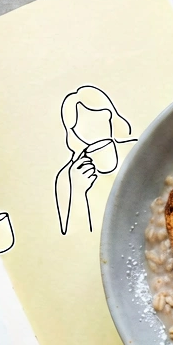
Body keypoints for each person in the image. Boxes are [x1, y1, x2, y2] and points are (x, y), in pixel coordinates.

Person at [54, 85, 136, 234]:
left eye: (103, 121)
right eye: (86, 132)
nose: (98, 137)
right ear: (73, 135)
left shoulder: (136, 149)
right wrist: (78, 193)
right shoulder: (68, 178)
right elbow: (76, 238)